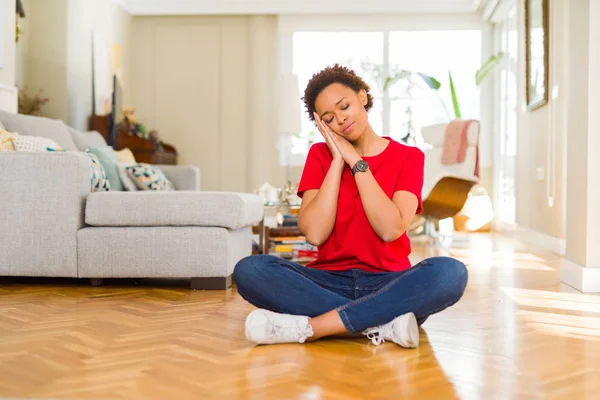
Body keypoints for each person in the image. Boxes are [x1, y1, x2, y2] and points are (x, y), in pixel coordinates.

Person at [234, 64, 468, 348]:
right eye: (329, 118)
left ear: (363, 97)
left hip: (389, 282)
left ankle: (316, 326)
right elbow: (315, 234)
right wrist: (336, 160)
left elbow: (390, 229)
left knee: (450, 272)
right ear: (322, 126)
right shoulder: (320, 155)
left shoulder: (409, 157)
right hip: (327, 281)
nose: (341, 119)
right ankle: (383, 323)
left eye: (344, 106)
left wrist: (357, 164)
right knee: (250, 269)